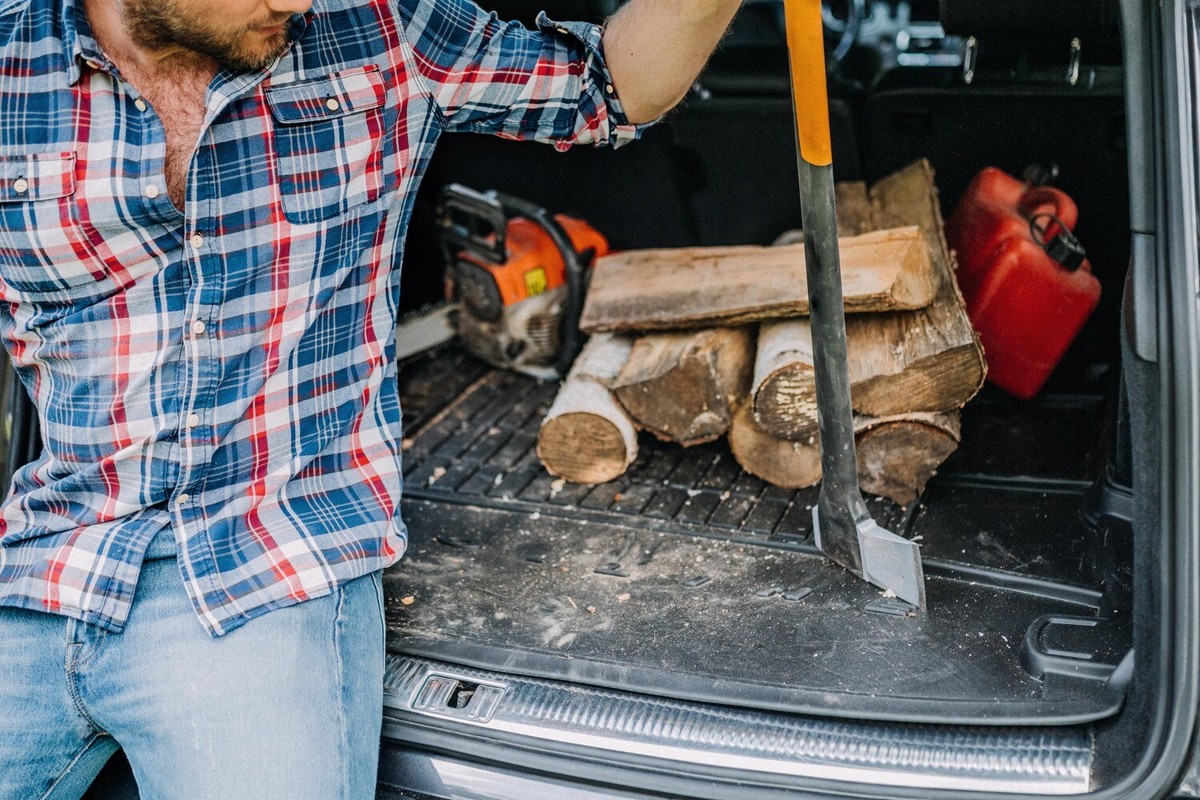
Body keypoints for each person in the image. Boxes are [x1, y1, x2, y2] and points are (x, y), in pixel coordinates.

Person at [0, 0, 742, 795]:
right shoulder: (13, 69)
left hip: (260, 576)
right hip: (46, 557)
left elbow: (615, 85)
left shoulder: (383, 32)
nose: (301, 2)